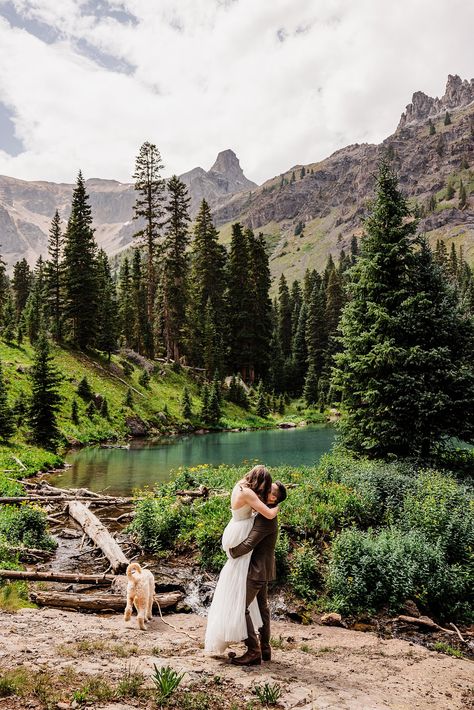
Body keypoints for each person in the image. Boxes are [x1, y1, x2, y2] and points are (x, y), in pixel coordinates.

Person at [204, 465, 278, 655]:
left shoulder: (242, 485)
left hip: (242, 539)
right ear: (260, 482)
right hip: (242, 538)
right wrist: (277, 506)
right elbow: (269, 513)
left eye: (271, 492)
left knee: (249, 603)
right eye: (266, 488)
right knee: (251, 603)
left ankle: (257, 649)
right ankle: (260, 648)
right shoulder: (249, 495)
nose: (266, 492)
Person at [229, 480, 287, 666]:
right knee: (263, 609)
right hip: (264, 568)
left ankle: (253, 650)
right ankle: (265, 649)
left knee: (240, 607)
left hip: (257, 569)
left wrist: (231, 552)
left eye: (270, 490)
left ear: (272, 498)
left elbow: (248, 544)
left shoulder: (266, 518)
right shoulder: (266, 512)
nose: (265, 489)